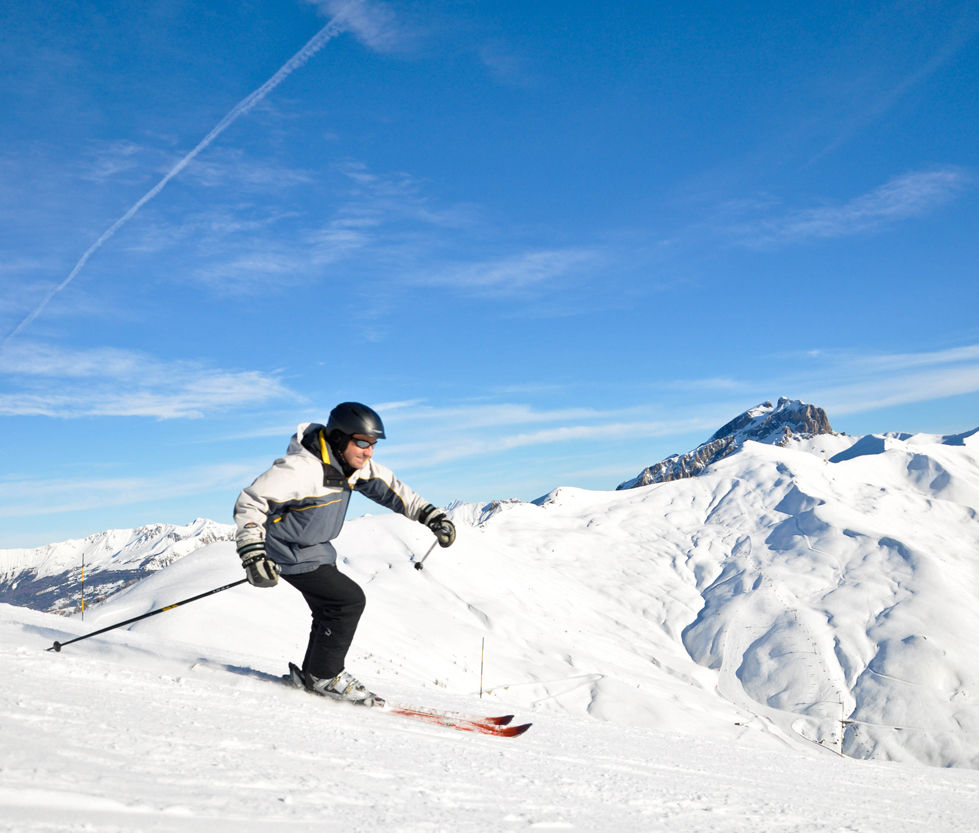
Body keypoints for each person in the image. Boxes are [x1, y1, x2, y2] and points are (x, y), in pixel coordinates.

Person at [233, 402, 456, 706]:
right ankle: (325, 676)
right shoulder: (302, 470)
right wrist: (253, 553)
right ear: (339, 438)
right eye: (362, 442)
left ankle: (315, 675)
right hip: (287, 551)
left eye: (373, 445)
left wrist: (431, 516)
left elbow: (391, 488)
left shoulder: (349, 467)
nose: (368, 452)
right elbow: (252, 501)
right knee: (346, 601)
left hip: (314, 550)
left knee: (331, 607)